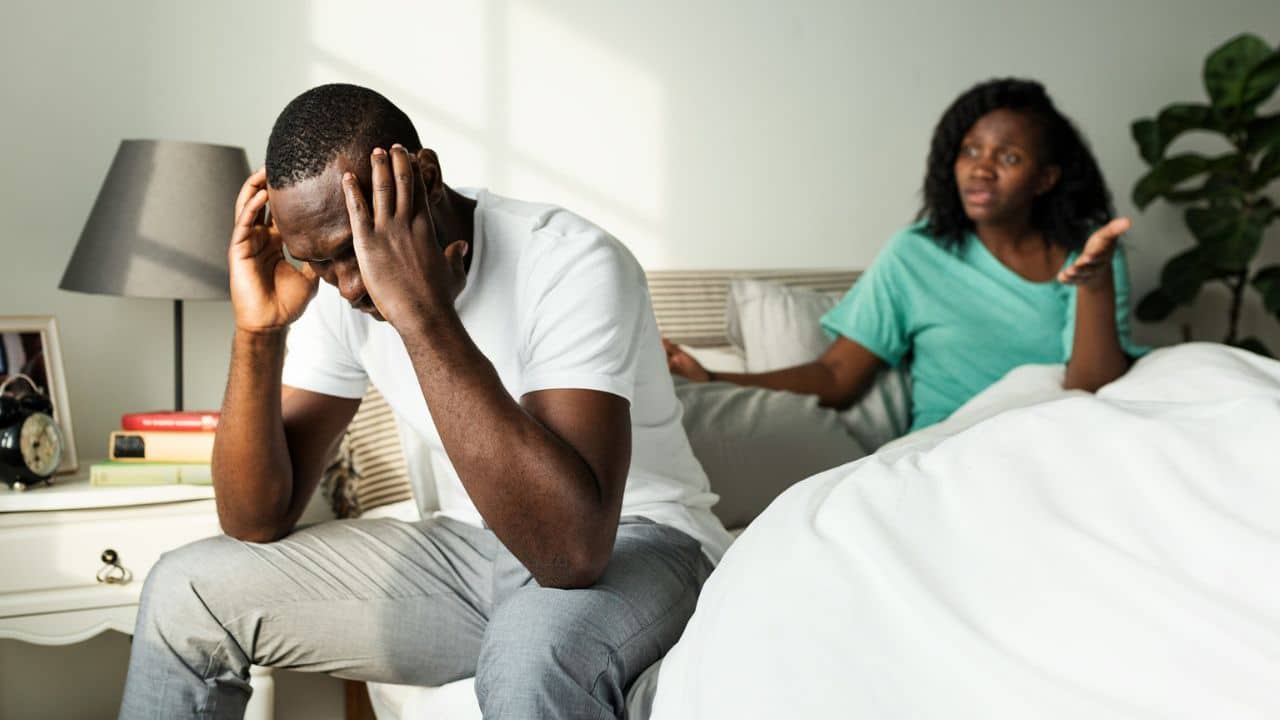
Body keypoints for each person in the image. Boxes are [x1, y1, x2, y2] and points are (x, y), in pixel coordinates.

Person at [118, 83, 731, 720]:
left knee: (530, 652)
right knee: (183, 591)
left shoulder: (570, 260)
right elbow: (254, 518)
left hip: (642, 540)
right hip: (468, 552)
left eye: (358, 246)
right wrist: (259, 331)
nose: (351, 285)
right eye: (321, 263)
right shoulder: (336, 290)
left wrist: (421, 312)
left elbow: (572, 552)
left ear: (426, 176)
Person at [667, 78, 1147, 432]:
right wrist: (712, 376)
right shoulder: (916, 254)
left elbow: (1091, 387)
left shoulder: (1091, 252)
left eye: (1008, 157)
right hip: (959, 446)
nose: (980, 169)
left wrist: (1095, 284)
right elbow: (837, 376)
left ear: (1046, 179)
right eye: (970, 151)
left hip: (1066, 436)